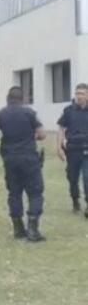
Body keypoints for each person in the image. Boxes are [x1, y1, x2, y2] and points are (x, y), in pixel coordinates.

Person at [0, 86, 46, 242]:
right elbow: (42, 134)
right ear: (22, 98)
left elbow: (5, 131)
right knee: (35, 192)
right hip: (28, 156)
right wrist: (32, 136)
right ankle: (33, 230)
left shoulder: (0, 115)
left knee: (14, 192)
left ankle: (18, 228)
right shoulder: (29, 113)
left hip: (9, 157)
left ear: (8, 98)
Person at [56, 83, 88, 215]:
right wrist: (59, 147)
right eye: (77, 93)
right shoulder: (68, 110)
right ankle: (75, 200)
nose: (79, 96)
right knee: (72, 178)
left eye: (82, 93)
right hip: (73, 150)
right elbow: (61, 128)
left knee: (87, 177)